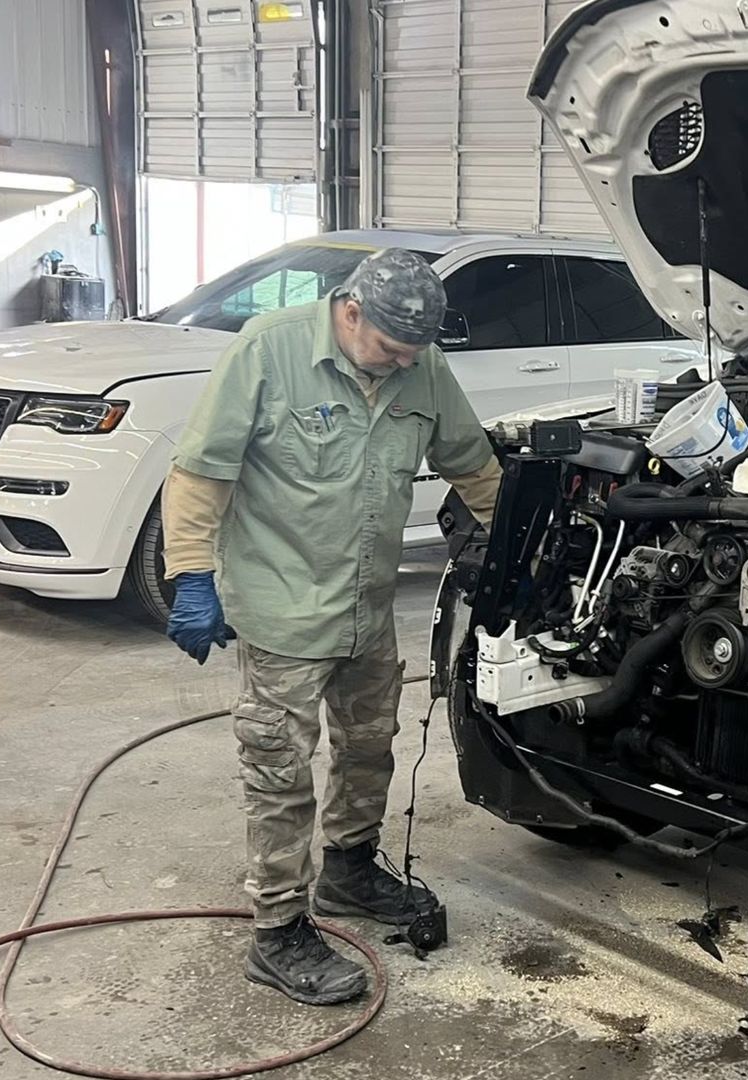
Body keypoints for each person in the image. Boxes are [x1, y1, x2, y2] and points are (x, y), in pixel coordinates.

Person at [160, 248, 502, 1005]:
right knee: (280, 771)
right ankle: (278, 930)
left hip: (367, 608)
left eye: (413, 353)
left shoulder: (419, 365)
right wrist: (190, 574)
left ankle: (349, 872)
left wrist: (520, 552)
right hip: (282, 607)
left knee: (368, 746)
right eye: (387, 347)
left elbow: (473, 465)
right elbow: (200, 471)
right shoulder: (268, 351)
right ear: (349, 312)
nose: (400, 364)